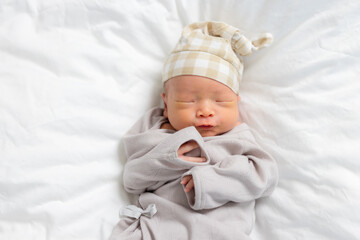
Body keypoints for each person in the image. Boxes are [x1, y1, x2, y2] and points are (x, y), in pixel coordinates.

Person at [110, 21, 278, 240]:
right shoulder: (156, 129)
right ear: (166, 105)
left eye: (220, 101)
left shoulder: (238, 139)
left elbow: (264, 177)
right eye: (189, 101)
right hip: (156, 229)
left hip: (220, 232)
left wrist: (211, 181)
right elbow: (132, 180)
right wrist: (168, 158)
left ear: (237, 102)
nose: (205, 111)